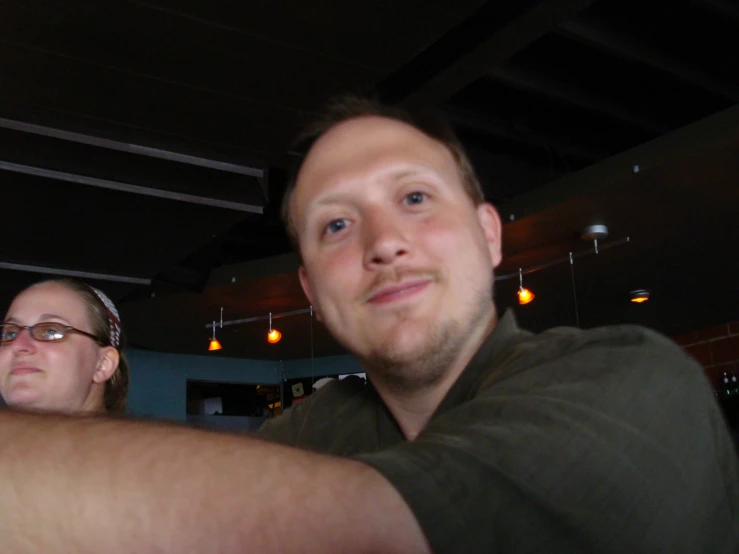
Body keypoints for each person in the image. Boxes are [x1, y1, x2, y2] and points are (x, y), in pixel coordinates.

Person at [0, 96, 736, 553]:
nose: (382, 241)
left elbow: (379, 530)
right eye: (336, 224)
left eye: (414, 197)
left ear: (488, 234)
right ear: (311, 291)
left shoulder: (634, 380)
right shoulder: (316, 430)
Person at [0, 278, 128, 414]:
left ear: (102, 364)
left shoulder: (144, 435)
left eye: (51, 332)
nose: (18, 345)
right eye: (10, 334)